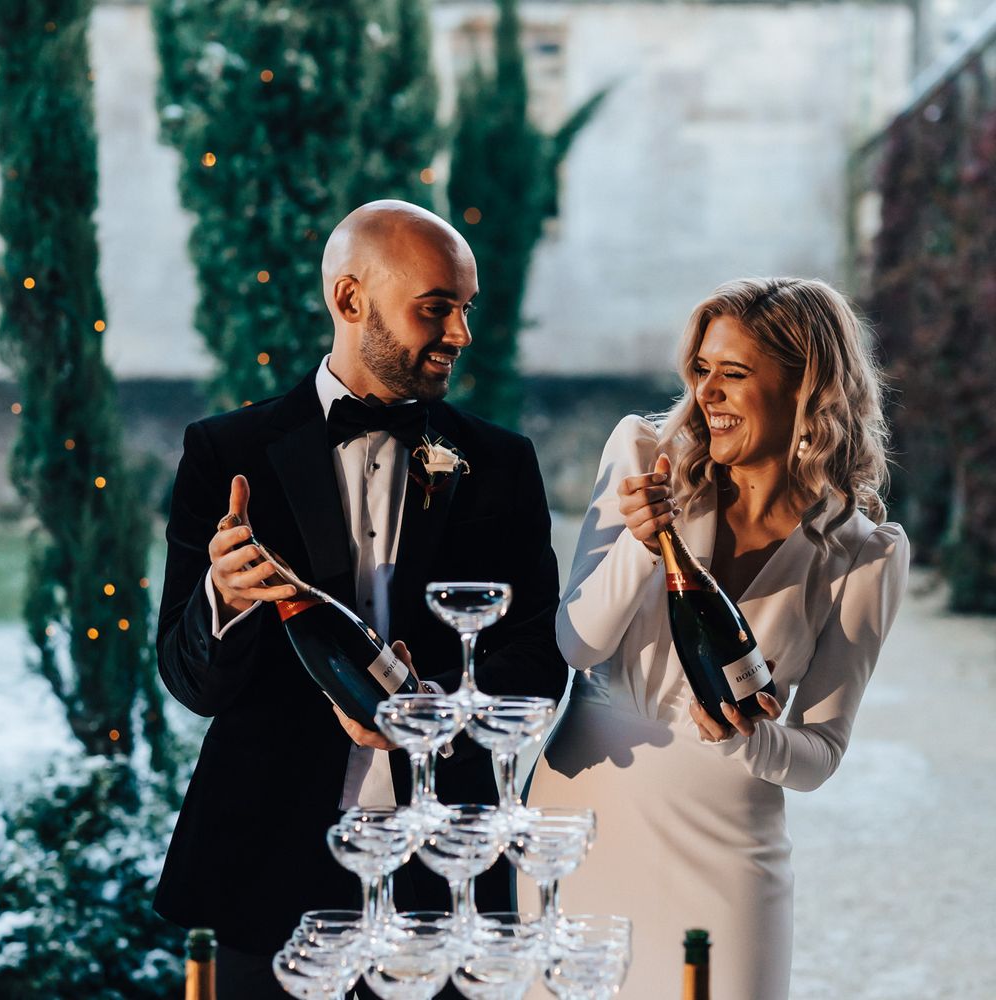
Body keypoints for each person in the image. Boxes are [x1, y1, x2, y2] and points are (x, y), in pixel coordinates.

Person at [153, 200, 567, 999]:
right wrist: (224, 598)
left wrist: (432, 709)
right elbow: (189, 679)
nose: (460, 334)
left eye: (465, 308)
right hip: (265, 869)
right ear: (350, 301)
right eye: (436, 308)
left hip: (443, 869)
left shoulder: (501, 463)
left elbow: (539, 658)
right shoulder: (227, 454)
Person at [522, 278, 910, 1000]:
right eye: (701, 370)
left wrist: (745, 739)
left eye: (734, 374)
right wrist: (644, 542)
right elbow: (576, 645)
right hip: (580, 829)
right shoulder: (645, 454)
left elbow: (819, 753)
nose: (707, 394)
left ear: (806, 388)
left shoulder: (866, 552)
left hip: (730, 859)